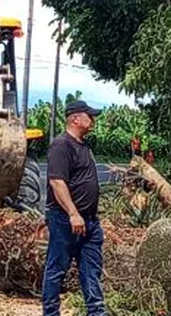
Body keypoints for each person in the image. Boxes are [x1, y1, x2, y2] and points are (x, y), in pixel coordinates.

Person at [42, 100, 106, 316]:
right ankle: (51, 313)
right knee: (57, 268)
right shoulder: (62, 145)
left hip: (89, 221)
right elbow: (57, 182)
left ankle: (96, 312)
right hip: (65, 219)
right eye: (89, 115)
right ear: (76, 119)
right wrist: (73, 213)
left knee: (91, 270)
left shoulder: (84, 146)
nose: (93, 120)